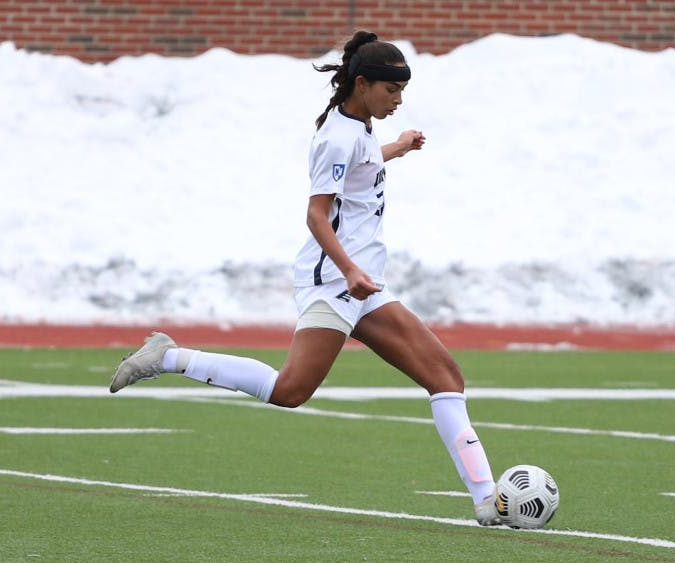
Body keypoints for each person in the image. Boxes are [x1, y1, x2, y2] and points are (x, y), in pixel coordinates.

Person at [109, 30, 501, 526]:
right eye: (391, 90)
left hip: (365, 285)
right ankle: (167, 356)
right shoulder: (338, 137)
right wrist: (350, 270)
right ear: (362, 83)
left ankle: (488, 500)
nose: (399, 100)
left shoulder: (357, 127)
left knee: (445, 378)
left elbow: (360, 167)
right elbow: (317, 216)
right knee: (290, 391)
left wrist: (396, 148)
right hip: (335, 283)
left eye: (403, 91)